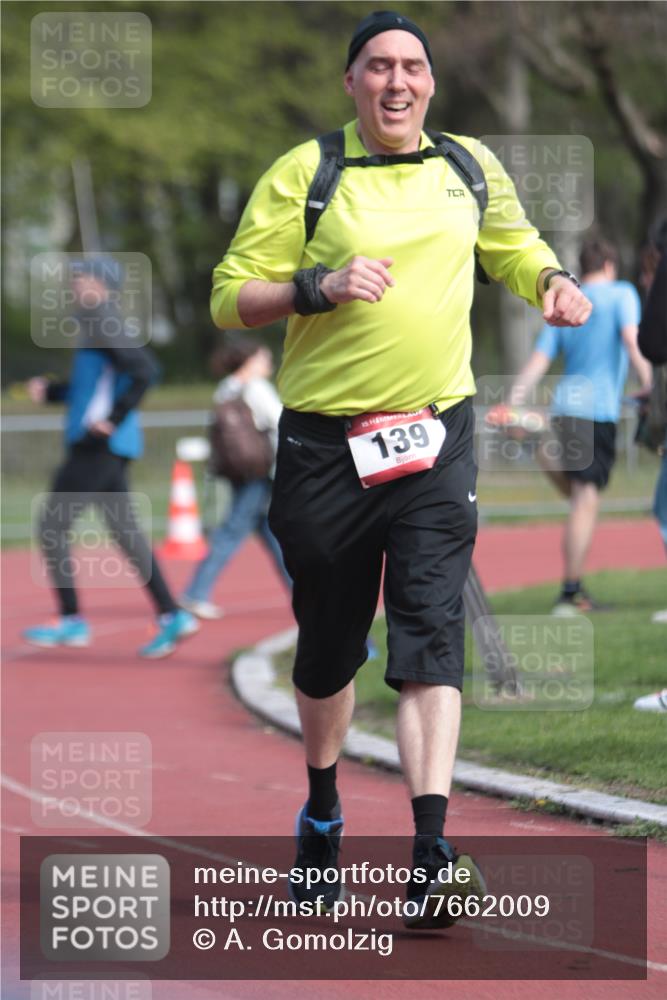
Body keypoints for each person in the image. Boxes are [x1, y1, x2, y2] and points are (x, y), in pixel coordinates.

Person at [209, 9, 592, 926]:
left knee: (429, 635)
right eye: (376, 66)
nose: (396, 81)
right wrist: (318, 286)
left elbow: (510, 243)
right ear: (351, 82)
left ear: (429, 82)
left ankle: (429, 851)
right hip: (322, 448)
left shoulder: (466, 165)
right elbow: (229, 297)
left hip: (434, 438)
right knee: (329, 652)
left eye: (411, 67)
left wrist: (549, 281)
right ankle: (323, 811)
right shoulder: (308, 173)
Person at [23, 256, 198, 659]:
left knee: (51, 524)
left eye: (80, 278)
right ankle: (172, 615)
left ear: (102, 284)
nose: (74, 285)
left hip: (97, 447)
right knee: (125, 533)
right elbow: (91, 386)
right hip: (105, 447)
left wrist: (112, 419)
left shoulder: (104, 318)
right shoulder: (94, 324)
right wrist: (52, 393)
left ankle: (71, 621)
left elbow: (144, 370)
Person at [501, 237, 652, 616]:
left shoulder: (566, 298)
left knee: (582, 500)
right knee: (586, 499)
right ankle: (571, 593)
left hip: (564, 408)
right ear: (610, 264)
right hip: (596, 411)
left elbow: (540, 358)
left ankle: (540, 442)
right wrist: (652, 386)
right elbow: (632, 342)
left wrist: (513, 401)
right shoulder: (621, 294)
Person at [181, 337, 290, 619]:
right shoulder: (257, 388)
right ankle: (196, 592)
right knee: (232, 530)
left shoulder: (226, 388)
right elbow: (280, 422)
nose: (269, 362)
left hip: (238, 468)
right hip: (261, 470)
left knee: (272, 534)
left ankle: (300, 591)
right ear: (250, 360)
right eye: (264, 358)